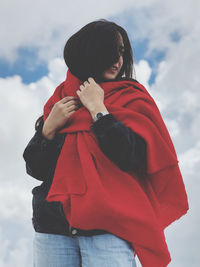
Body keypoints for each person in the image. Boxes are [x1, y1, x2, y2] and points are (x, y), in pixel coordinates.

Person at [23, 19, 189, 267]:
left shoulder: (131, 98)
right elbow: (36, 169)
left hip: (109, 227)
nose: (118, 60)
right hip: (53, 227)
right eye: (111, 51)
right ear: (89, 52)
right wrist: (47, 130)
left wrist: (99, 111)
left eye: (122, 52)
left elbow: (131, 158)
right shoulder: (59, 101)